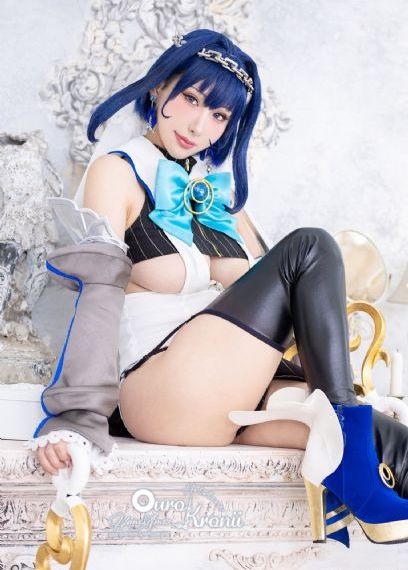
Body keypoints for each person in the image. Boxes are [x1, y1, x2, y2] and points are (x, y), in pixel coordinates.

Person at [27, 28, 408, 546]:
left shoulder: (222, 201)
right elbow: (97, 295)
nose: (198, 125)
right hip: (164, 387)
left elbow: (283, 312)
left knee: (394, 445)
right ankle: (356, 468)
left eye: (219, 116)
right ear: (159, 88)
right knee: (312, 246)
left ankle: (359, 470)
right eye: (191, 99)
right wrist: (75, 420)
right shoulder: (117, 172)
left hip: (231, 401)